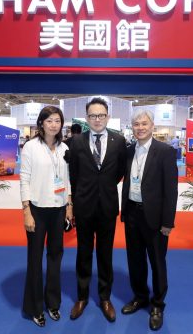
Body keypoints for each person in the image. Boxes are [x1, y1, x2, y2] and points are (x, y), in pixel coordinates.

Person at [68, 97, 126, 322]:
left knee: (105, 253)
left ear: (108, 117)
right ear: (87, 118)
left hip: (108, 207)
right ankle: (82, 297)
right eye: (93, 115)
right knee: (83, 253)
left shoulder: (119, 141)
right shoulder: (76, 142)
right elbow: (73, 175)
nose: (97, 119)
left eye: (101, 115)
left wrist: (104, 187)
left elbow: (119, 172)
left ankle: (105, 298)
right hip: (84, 206)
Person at [120, 109, 178, 331]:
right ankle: (140, 297)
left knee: (157, 262)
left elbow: (171, 190)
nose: (140, 128)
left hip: (155, 217)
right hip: (132, 213)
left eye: (144, 123)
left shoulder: (165, 152)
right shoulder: (128, 151)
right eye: (136, 124)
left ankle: (157, 305)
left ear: (152, 125)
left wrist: (168, 222)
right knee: (135, 260)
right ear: (132, 127)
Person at [20, 106, 72, 327]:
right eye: (49, 120)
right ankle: (35, 307)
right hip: (37, 210)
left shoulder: (64, 148)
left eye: (57, 121)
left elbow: (67, 179)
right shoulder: (30, 147)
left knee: (55, 257)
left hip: (58, 209)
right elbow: (24, 179)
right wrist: (26, 211)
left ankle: (53, 303)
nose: (53, 125)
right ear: (41, 123)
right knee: (35, 259)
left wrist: (69, 206)